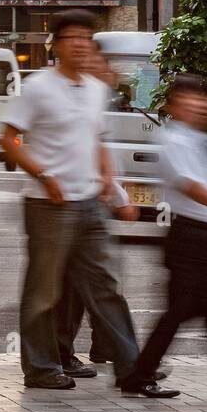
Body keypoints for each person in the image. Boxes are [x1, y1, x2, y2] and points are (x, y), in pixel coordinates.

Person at [2, 11, 176, 398]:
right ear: (57, 45)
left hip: (90, 205)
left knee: (105, 288)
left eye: (87, 37)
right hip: (48, 205)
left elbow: (96, 142)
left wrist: (116, 193)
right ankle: (42, 367)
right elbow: (8, 138)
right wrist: (44, 176)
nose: (81, 44)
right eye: (73, 37)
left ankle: (134, 369)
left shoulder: (96, 90)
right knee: (44, 290)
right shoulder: (39, 87)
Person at [124, 74, 207, 397]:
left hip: (197, 236)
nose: (199, 105)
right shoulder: (173, 141)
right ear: (174, 106)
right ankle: (140, 374)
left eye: (202, 99)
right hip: (186, 235)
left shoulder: (193, 139)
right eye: (189, 100)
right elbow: (189, 184)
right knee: (181, 312)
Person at [55, 40, 136, 375]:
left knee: (93, 287)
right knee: (86, 288)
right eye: (98, 64)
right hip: (74, 205)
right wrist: (119, 197)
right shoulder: (76, 100)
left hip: (91, 206)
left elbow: (103, 157)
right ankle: (90, 353)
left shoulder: (96, 101)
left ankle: (111, 351)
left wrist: (118, 195)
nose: (107, 71)